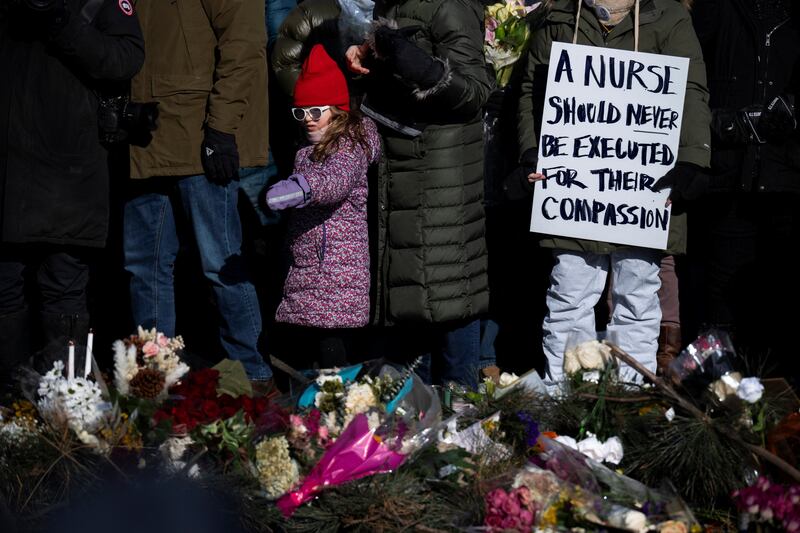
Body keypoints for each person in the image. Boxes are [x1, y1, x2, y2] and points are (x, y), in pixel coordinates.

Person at [516, 0, 711, 388]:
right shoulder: (560, 17)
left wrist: (693, 158)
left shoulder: (668, 16)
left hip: (643, 188)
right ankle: (567, 399)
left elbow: (691, 88)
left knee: (637, 296)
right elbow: (529, 89)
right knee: (570, 293)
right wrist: (530, 150)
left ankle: (630, 401)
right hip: (575, 189)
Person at [124, 0, 275, 389]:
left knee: (220, 263)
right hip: (146, 135)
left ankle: (251, 373)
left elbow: (244, 44)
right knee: (145, 266)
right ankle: (153, 375)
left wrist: (221, 129)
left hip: (197, 136)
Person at [345, 0, 492, 389]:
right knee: (411, 292)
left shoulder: (448, 7)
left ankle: (460, 411)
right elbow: (398, 84)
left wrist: (409, 58)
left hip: (441, 169)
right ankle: (415, 419)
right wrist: (364, 66)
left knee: (449, 292)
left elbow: (474, 93)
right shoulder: (393, 3)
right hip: (399, 165)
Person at [0, 0, 144, 387]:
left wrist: (62, 21)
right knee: (5, 289)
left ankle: (64, 405)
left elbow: (125, 59)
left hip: (68, 171)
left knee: (63, 289)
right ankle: (13, 405)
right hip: (12, 172)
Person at [689, 0, 799, 382]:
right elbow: (688, 80)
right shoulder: (717, 9)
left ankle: (779, 412)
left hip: (787, 183)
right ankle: (710, 407)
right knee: (717, 304)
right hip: (729, 180)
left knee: (780, 299)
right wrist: (722, 125)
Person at [265, 45, 381, 368]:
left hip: (338, 279)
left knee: (335, 368)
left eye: (316, 111)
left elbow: (335, 180)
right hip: (307, 274)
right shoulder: (305, 151)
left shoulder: (351, 144)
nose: (308, 120)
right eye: (300, 113)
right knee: (307, 367)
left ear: (338, 108)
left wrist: (302, 188)